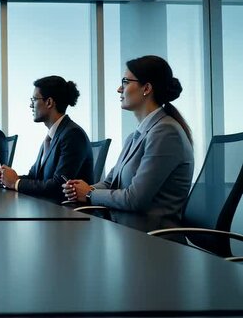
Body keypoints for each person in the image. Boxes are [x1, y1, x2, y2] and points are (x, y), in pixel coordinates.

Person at [62, 55, 194, 232]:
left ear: (146, 88)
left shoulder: (166, 132)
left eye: (125, 82)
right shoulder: (135, 136)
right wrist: (82, 188)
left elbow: (135, 199)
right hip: (124, 229)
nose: (119, 89)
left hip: (151, 240)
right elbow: (110, 183)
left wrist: (89, 193)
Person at [0, 75, 94, 201]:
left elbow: (58, 186)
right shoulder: (52, 136)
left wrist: (15, 183)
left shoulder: (72, 134)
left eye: (34, 100)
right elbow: (34, 176)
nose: (31, 105)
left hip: (67, 214)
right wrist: (7, 178)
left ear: (49, 102)